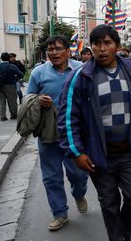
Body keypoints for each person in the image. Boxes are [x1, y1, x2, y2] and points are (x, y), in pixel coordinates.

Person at [58, 25, 131, 241]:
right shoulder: (80, 77)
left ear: (117, 46)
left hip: (129, 151)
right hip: (98, 156)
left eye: (107, 43)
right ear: (91, 47)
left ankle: (126, 230)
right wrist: (77, 153)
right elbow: (68, 119)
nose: (102, 49)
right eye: (97, 44)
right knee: (109, 202)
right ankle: (119, 237)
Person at [26, 36, 88, 231]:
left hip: (75, 135)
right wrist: (37, 100)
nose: (53, 53)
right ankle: (60, 213)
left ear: (68, 52)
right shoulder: (38, 73)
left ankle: (79, 194)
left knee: (78, 174)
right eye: (50, 50)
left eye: (58, 48)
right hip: (48, 133)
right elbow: (28, 98)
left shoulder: (81, 69)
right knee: (51, 177)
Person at [0, 52, 24, 120]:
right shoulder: (11, 66)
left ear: (1, 58)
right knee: (12, 101)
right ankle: (13, 115)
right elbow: (21, 74)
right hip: (10, 85)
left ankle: (2, 116)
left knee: (1, 101)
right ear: (8, 58)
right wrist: (15, 76)